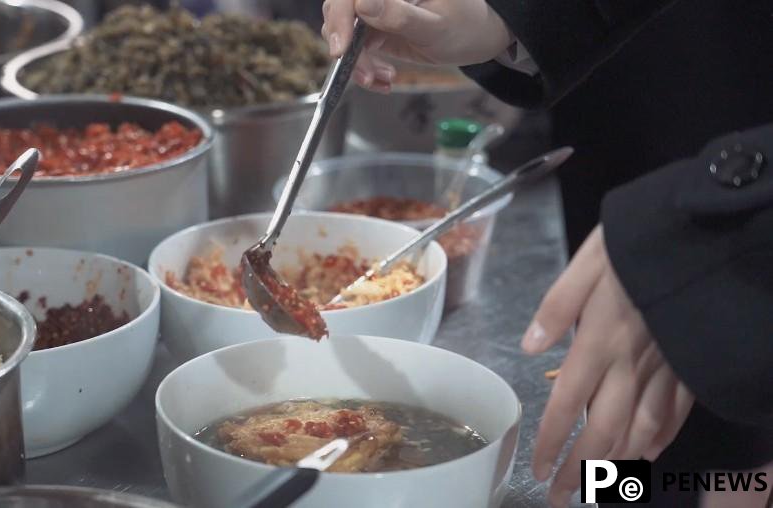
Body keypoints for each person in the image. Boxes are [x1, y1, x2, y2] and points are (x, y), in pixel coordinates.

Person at [321, 1, 773, 506]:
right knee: (631, 464)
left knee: (728, 461)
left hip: (733, 172)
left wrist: (742, 219)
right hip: (625, 124)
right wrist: (509, 16)